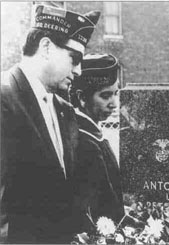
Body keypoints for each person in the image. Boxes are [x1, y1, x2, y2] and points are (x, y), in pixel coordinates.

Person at [0, 4, 100, 243]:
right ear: (46, 47)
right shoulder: (4, 99)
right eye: (74, 59)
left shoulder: (64, 109)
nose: (78, 71)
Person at [70, 54, 124, 232]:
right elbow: (100, 209)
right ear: (82, 97)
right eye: (105, 96)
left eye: (116, 93)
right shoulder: (85, 141)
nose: (114, 104)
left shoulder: (91, 134)